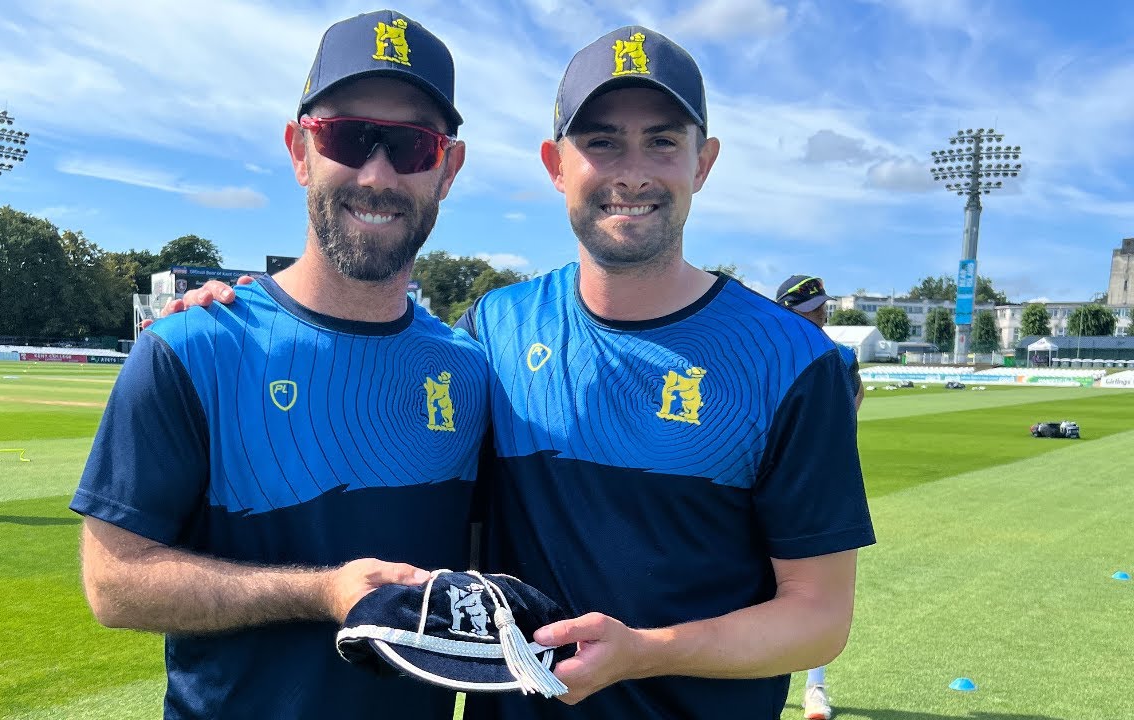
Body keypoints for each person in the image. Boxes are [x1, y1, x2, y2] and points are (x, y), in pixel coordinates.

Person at [174, 25, 874, 720]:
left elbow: (818, 618)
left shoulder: (792, 359)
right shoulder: (494, 329)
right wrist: (253, 316)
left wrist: (644, 652)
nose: (632, 172)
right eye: (601, 141)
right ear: (555, 165)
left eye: (662, 140)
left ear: (704, 162)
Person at [69, 11, 488, 719]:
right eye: (347, 137)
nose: (377, 173)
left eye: (412, 146)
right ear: (300, 151)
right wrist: (320, 592)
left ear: (447, 169)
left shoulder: (469, 372)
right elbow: (115, 584)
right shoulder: (192, 346)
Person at [775, 275, 867, 719]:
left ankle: (815, 687)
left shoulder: (841, 356)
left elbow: (853, 405)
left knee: (815, 593)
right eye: (809, 308)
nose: (819, 314)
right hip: (759, 483)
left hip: (817, 487)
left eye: (820, 307)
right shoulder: (765, 352)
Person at [776, 275, 865, 411]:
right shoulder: (769, 352)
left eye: (822, 305)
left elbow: (858, 393)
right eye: (811, 307)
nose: (822, 313)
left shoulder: (844, 354)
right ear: (785, 312)